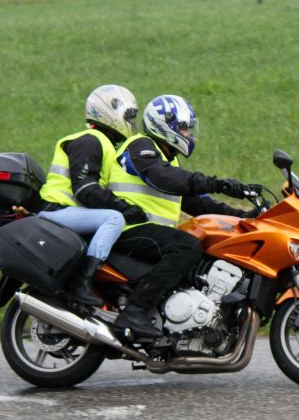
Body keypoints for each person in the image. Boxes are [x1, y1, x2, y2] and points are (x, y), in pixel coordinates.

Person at [106, 94, 260, 342]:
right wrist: (219, 184)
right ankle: (135, 312)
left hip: (150, 232)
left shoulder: (168, 159)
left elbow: (197, 202)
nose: (188, 134)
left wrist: (244, 218)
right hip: (127, 228)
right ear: (163, 125)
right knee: (186, 246)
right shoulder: (141, 147)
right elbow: (165, 178)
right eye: (184, 128)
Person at [36, 84, 148, 306]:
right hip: (57, 209)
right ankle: (82, 283)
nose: (130, 122)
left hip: (70, 212)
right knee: (113, 219)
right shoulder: (89, 140)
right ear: (109, 112)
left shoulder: (105, 144)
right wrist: (123, 207)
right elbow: (85, 190)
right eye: (128, 116)